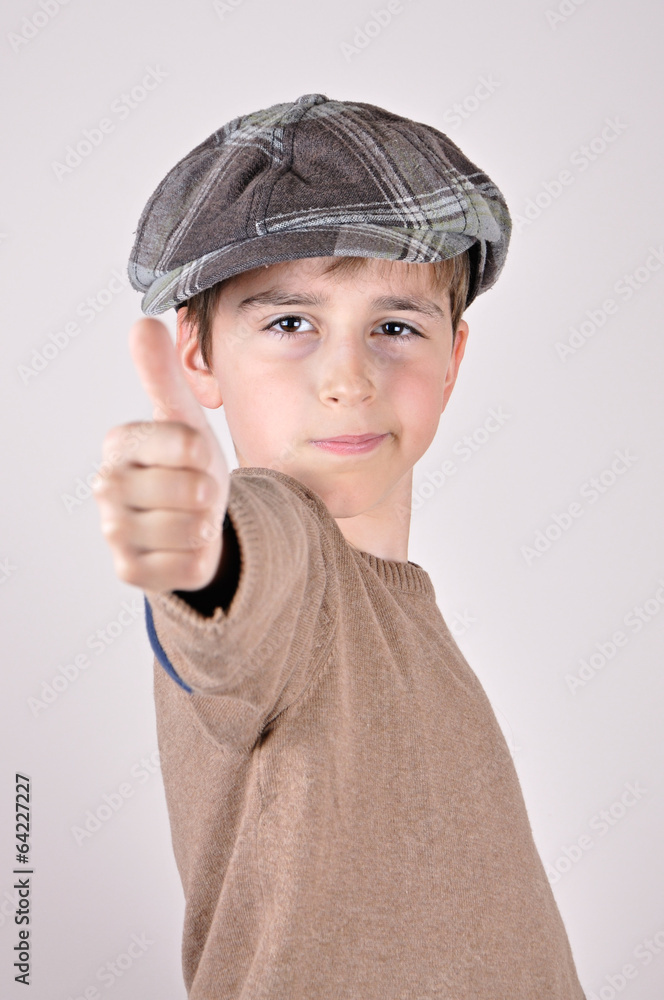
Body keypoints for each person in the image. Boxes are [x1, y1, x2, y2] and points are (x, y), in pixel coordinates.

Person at [93, 93, 586, 999]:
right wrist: (202, 549)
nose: (348, 379)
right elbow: (234, 596)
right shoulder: (286, 565)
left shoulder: (400, 609)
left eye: (395, 327)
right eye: (291, 323)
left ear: (453, 358)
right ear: (198, 357)